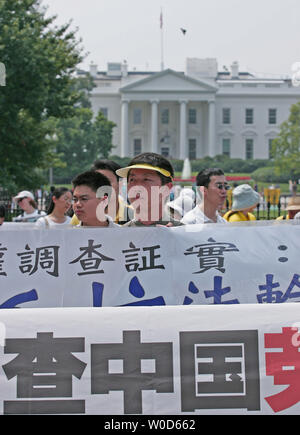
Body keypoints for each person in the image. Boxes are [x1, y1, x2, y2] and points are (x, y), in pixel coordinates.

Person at [116, 152, 182, 226]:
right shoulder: (121, 235)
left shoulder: (183, 234)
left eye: (146, 179)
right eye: (132, 179)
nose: (137, 187)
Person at [71, 159, 133, 225]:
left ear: (120, 184)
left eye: (107, 182)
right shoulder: (79, 217)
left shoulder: (133, 215)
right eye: (96, 183)